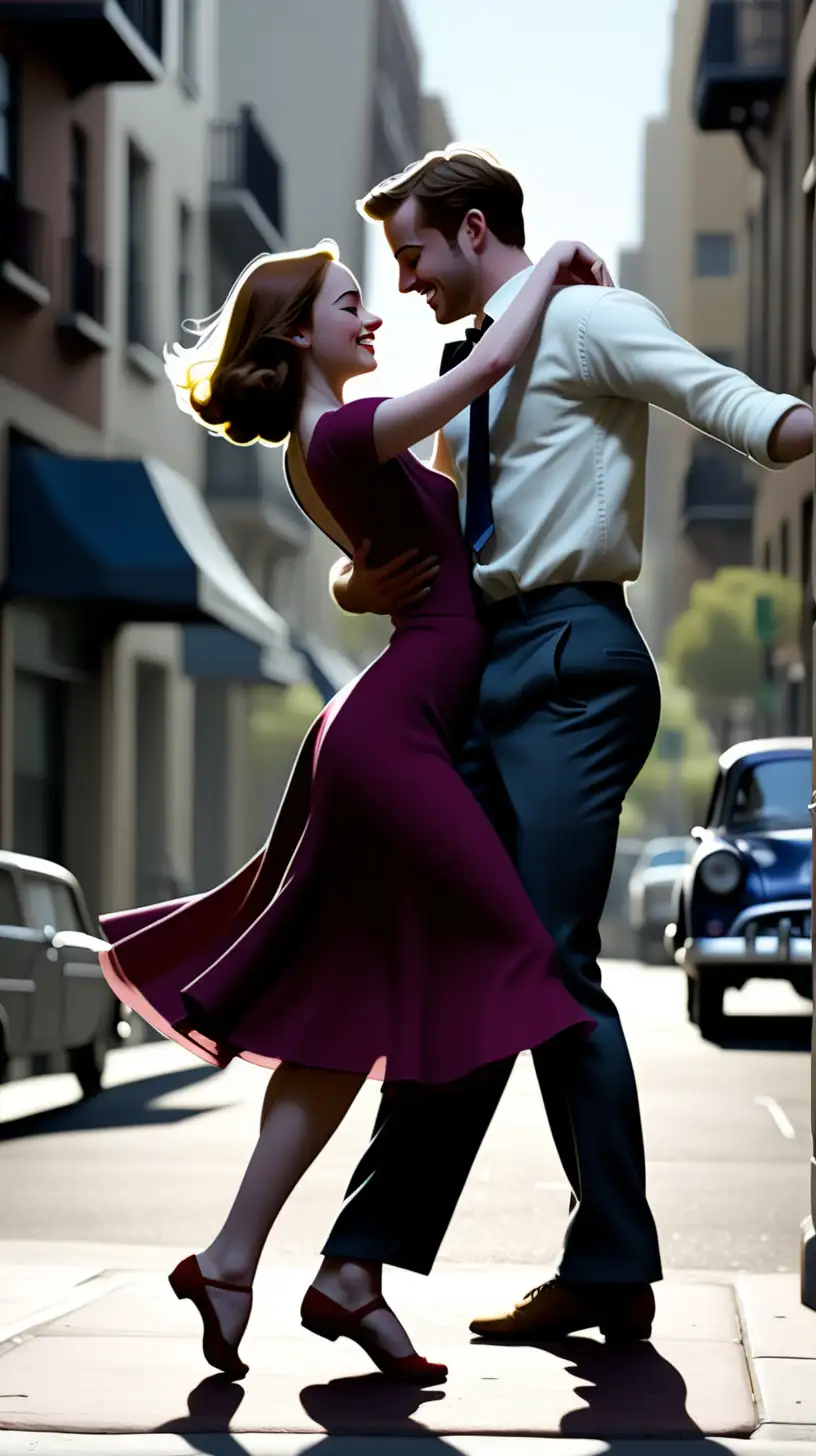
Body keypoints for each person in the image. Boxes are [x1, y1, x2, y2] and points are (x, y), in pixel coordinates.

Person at [304, 146, 815, 1346]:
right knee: (466, 960)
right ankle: (362, 1263)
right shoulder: (468, 368)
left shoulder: (589, 317)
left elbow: (745, 413)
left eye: (414, 252)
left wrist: (799, 423)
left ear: (475, 230)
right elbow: (412, 538)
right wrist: (349, 581)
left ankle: (602, 1264)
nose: (407, 281)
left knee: (541, 956)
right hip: (484, 669)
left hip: (575, 661)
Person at [96, 236, 610, 1385]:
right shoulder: (332, 432)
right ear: (297, 334)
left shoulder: (341, 435)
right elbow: (474, 381)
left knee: (343, 1016)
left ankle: (256, 1262)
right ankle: (387, 1260)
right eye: (348, 303)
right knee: (516, 958)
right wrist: (553, 270)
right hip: (392, 742)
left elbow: (438, 459)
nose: (371, 315)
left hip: (396, 726)